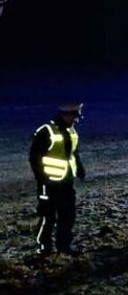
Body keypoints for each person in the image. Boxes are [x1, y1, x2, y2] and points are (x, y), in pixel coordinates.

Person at [29, 103, 86, 255]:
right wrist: (41, 178)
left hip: (66, 181)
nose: (76, 120)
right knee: (48, 217)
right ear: (65, 115)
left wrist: (79, 168)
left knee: (67, 215)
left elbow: (74, 153)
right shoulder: (46, 131)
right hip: (48, 182)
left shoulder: (71, 131)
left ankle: (64, 245)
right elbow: (35, 158)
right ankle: (44, 247)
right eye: (74, 116)